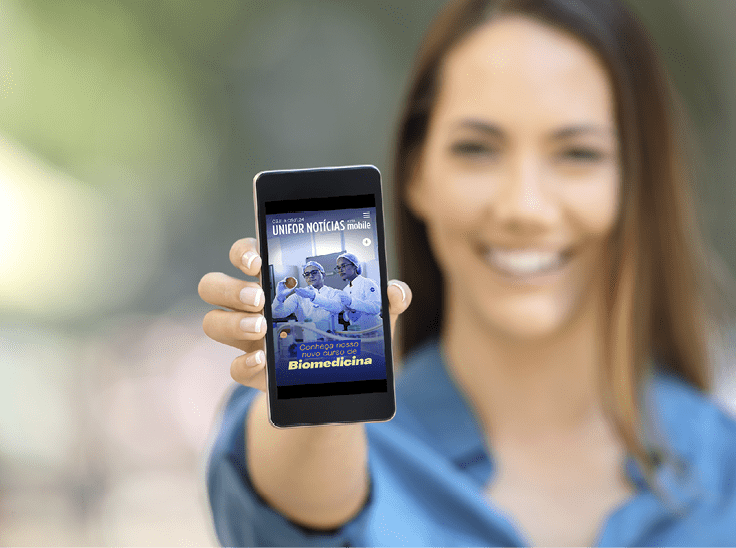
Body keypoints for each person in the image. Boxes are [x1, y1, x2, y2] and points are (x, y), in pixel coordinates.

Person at [197, 0, 736, 546]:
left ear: (635, 182)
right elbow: (299, 498)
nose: (525, 207)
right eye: (476, 149)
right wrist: (315, 387)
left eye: (578, 153)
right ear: (415, 174)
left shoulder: (723, 467)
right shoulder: (341, 445)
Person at [271, 261, 343, 330]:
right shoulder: (298, 296)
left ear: (323, 275)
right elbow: (278, 314)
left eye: (314, 272)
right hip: (308, 338)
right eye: (307, 274)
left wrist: (314, 297)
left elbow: (337, 308)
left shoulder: (333, 292)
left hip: (331, 338)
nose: (311, 276)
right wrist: (279, 298)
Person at [334, 252, 382, 332]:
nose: (340, 270)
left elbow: (376, 308)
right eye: (338, 267)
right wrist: (347, 313)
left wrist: (352, 302)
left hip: (374, 332)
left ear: (354, 266)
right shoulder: (345, 290)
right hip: (357, 333)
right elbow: (347, 318)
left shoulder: (368, 283)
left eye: (344, 266)